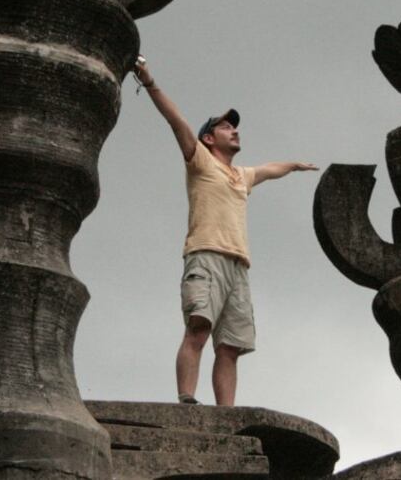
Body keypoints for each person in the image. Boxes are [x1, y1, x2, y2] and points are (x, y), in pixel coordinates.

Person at [134, 57, 318, 407]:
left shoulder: (241, 176)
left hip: (238, 266)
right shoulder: (200, 160)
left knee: (230, 347)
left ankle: (226, 415)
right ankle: (187, 399)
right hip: (206, 255)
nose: (234, 131)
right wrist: (149, 81)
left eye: (235, 127)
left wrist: (293, 165)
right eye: (226, 127)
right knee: (199, 328)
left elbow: (268, 169)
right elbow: (176, 121)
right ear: (209, 137)